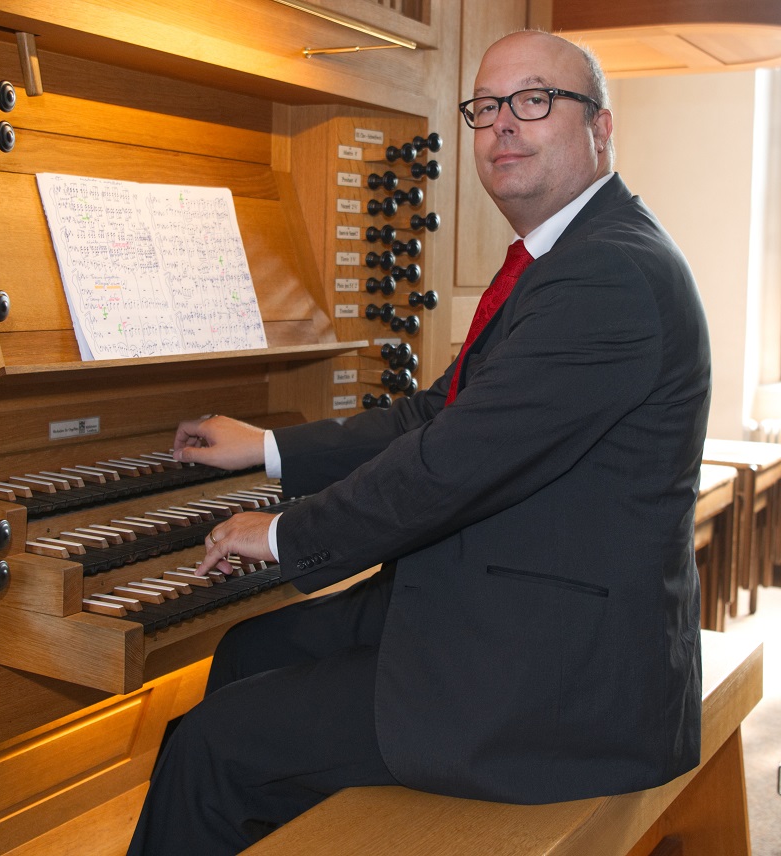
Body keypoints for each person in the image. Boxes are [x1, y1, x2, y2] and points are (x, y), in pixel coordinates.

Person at [126, 28, 712, 856]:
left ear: (601, 127)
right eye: (485, 108)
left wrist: (288, 531)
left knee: (207, 750)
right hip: (517, 603)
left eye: (535, 100)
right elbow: (431, 417)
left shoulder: (608, 276)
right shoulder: (570, 257)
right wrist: (271, 447)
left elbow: (448, 465)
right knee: (251, 649)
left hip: (558, 676)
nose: (502, 124)